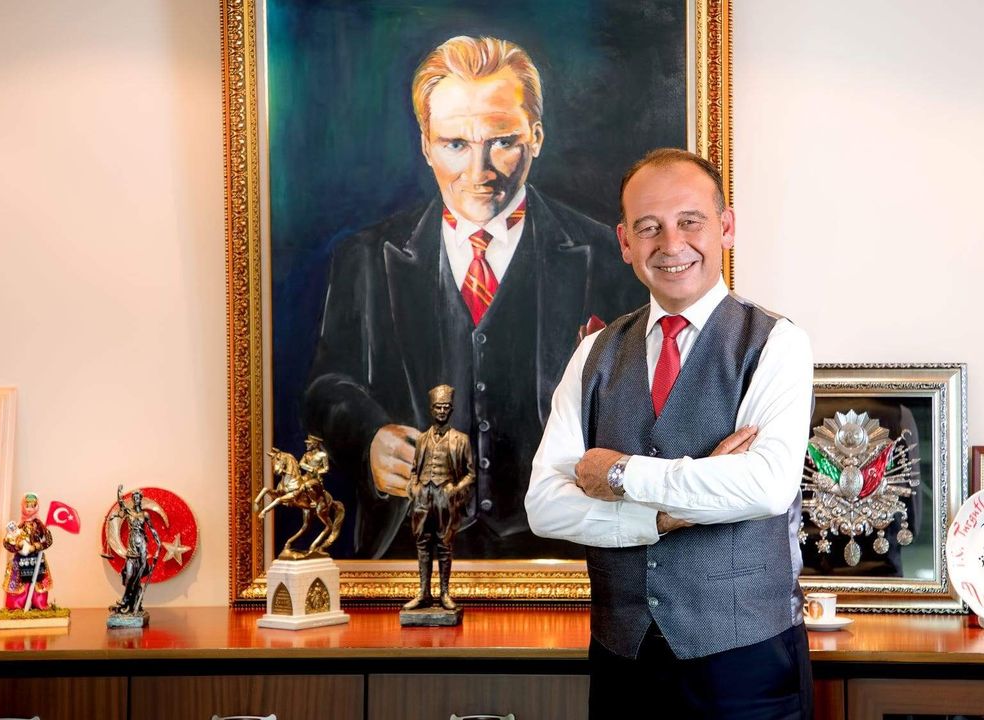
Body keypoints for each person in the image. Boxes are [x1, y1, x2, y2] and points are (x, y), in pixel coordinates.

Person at [305, 35, 647, 560]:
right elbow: (328, 386)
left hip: (568, 550)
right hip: (407, 548)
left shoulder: (606, 257)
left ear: (536, 137)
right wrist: (369, 438)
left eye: (502, 141)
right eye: (455, 144)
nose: (479, 172)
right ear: (425, 145)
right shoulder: (366, 257)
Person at [525, 148, 815, 719]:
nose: (671, 244)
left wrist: (617, 473)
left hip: (746, 665)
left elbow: (765, 487)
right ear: (625, 242)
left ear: (725, 228)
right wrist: (662, 517)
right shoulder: (594, 353)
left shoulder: (777, 343)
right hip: (622, 663)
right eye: (649, 227)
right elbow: (544, 507)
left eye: (690, 221)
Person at [402, 385, 475, 611]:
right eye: (438, 407)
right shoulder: (422, 439)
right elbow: (415, 469)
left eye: (445, 407)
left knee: (445, 545)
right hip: (423, 497)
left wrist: (455, 489)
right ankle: (424, 593)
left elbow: (471, 474)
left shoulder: (461, 439)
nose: (442, 411)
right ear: (431, 409)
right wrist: (414, 486)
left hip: (445, 497)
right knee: (423, 544)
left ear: (451, 409)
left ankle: (444, 593)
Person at [108, 486, 161, 615]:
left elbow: (152, 529)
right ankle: (126, 600)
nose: (136, 499)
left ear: (141, 499)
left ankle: (130, 602)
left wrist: (159, 544)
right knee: (129, 575)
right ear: (132, 500)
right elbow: (120, 503)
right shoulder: (129, 512)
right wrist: (119, 492)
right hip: (131, 545)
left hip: (142, 545)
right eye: (134, 497)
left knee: (138, 576)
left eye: (138, 497)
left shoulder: (145, 514)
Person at [2, 492, 54, 611]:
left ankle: (39, 604)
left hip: (36, 560)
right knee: (19, 582)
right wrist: (18, 545)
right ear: (22, 506)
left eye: (33, 506)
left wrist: (35, 547)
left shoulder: (40, 526)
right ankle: (16, 606)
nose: (30, 509)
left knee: (38, 581)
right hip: (20, 560)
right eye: (27, 505)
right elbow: (6, 543)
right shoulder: (18, 526)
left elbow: (49, 540)